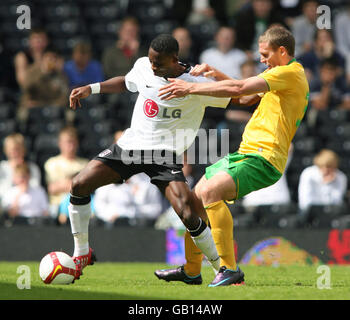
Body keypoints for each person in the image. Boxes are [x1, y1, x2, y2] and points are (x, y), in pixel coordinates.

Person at [67, 34, 233, 283]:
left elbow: (236, 95)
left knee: (187, 213)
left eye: (158, 63)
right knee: (79, 185)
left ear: (174, 59)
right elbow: (126, 82)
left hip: (164, 155)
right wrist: (92, 88)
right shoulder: (144, 66)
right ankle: (81, 253)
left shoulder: (196, 83)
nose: (152, 66)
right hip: (131, 147)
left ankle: (221, 270)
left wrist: (232, 81)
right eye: (151, 60)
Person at [156, 25, 309, 286]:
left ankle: (229, 268)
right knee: (194, 203)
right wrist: (216, 74)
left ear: (282, 51)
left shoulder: (290, 73)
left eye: (265, 54)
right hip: (246, 153)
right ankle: (192, 270)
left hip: (264, 158)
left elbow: (239, 89)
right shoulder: (279, 73)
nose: (262, 60)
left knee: (211, 192)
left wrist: (191, 89)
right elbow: (248, 96)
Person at [44, 126, 89, 217]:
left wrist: (65, 185)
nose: (71, 146)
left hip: (80, 206)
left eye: (73, 142)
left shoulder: (86, 164)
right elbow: (52, 188)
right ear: (60, 143)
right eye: (68, 142)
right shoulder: (52, 163)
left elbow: (88, 189)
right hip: (57, 207)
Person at [18, 46, 69, 121]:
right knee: (22, 115)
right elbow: (26, 87)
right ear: (43, 59)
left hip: (51, 107)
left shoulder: (60, 76)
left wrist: (45, 105)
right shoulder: (32, 71)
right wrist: (43, 73)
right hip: (31, 105)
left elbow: (64, 97)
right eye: (48, 58)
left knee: (69, 116)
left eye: (53, 58)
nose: (50, 61)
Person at [0, 133, 41, 202]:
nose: (15, 152)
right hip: (6, 204)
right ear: (6, 151)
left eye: (18, 149)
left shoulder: (32, 168)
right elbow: (1, 192)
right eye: (12, 150)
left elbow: (36, 188)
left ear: (23, 150)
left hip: (28, 204)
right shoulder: (2, 167)